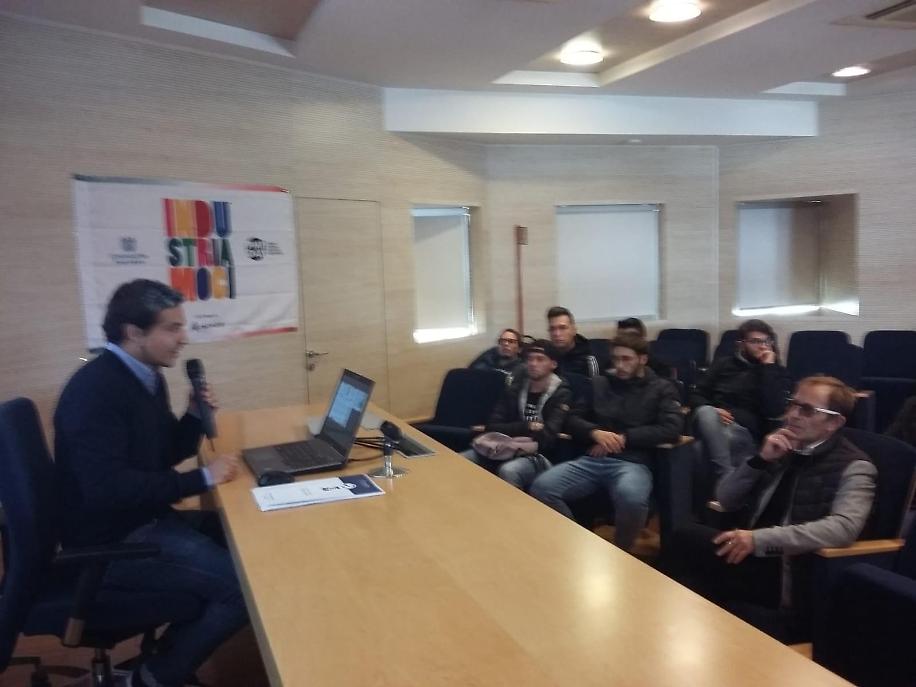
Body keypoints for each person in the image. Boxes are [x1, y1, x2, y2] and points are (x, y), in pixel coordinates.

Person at [54, 279, 248, 687]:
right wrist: (202, 478)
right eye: (172, 328)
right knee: (242, 588)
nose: (183, 338)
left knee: (244, 540)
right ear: (134, 332)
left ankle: (165, 658)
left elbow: (160, 457)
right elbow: (108, 490)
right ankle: (153, 678)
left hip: (145, 519)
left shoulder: (145, 376)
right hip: (114, 542)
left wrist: (193, 415)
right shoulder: (96, 392)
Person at [663, 376, 876, 638]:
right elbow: (725, 498)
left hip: (787, 573)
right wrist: (760, 460)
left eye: (807, 410)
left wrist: (759, 540)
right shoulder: (783, 446)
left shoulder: (855, 467)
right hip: (751, 554)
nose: (793, 415)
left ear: (834, 422)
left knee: (686, 551)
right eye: (793, 404)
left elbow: (843, 528)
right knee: (685, 567)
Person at [530, 333, 682, 552]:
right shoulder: (599, 383)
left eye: (626, 359)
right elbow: (571, 419)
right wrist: (594, 433)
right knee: (542, 487)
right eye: (616, 359)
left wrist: (624, 438)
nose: (619, 365)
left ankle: (621, 551)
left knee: (631, 498)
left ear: (642, 359)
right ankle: (578, 542)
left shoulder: (661, 387)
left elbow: (672, 429)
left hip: (633, 462)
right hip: (592, 458)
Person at [688, 319, 792, 482]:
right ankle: (725, 475)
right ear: (741, 344)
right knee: (705, 411)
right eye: (755, 341)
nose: (762, 346)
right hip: (711, 422)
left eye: (766, 341)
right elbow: (696, 395)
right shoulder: (723, 364)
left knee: (698, 450)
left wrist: (768, 368)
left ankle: (720, 484)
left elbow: (774, 409)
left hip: (744, 431)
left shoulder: (777, 372)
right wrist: (714, 410)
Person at [464, 340, 572, 490]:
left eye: (540, 359)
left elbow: (547, 437)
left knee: (509, 470)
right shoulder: (515, 388)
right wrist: (528, 426)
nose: (533, 364)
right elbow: (493, 425)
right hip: (504, 445)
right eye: (530, 359)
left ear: (553, 364)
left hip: (537, 454)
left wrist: (512, 430)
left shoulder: (562, 394)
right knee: (463, 459)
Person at [546, 306, 599, 378]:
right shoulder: (546, 358)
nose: (557, 334)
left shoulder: (588, 358)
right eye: (552, 329)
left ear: (574, 330)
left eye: (562, 328)